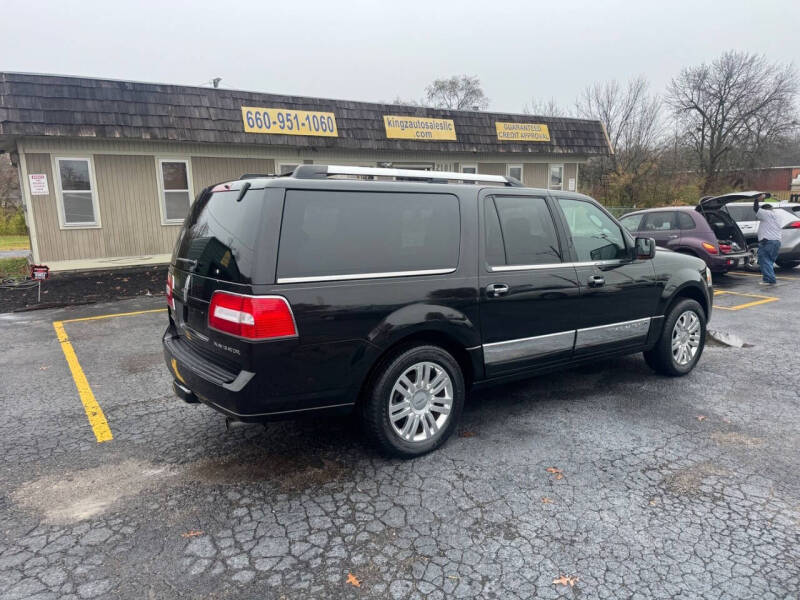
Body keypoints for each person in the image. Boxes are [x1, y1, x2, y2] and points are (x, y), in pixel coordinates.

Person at [753, 194, 782, 285]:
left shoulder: (766, 213)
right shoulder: (777, 216)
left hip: (767, 241)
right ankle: (768, 278)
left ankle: (769, 280)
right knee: (769, 261)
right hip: (776, 242)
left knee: (764, 260)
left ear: (764, 210)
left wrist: (757, 199)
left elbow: (756, 208)